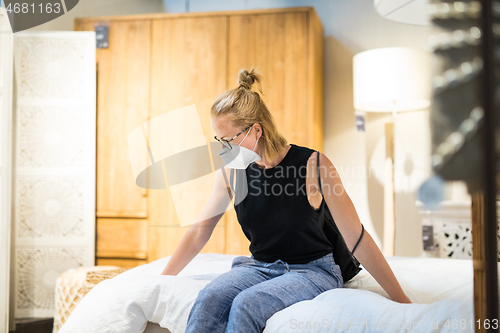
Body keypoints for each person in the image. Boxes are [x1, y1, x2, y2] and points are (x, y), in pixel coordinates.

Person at [161, 67, 412, 332]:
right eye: (218, 140)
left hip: (313, 271)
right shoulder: (231, 171)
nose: (223, 149)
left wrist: (402, 300)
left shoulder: (314, 165)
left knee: (248, 304)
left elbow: (356, 237)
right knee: (209, 298)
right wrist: (164, 279)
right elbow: (201, 229)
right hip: (259, 266)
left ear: (255, 131)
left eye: (228, 140)